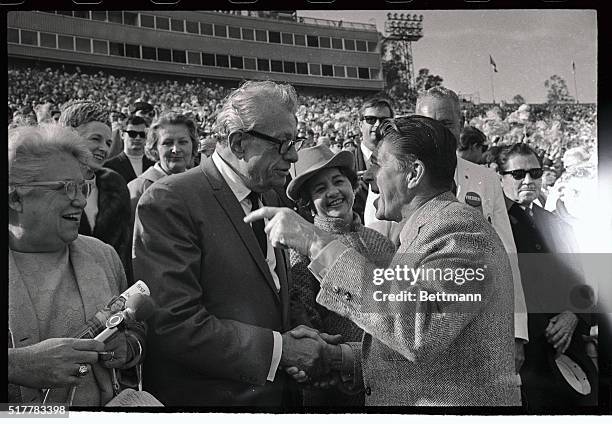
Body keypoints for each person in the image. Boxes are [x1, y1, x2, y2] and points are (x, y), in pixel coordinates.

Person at [246, 116, 520, 406]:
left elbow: (418, 328)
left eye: (378, 165)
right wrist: (337, 357)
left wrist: (316, 243)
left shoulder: (459, 231)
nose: (368, 177)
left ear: (413, 173)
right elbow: (413, 345)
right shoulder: (425, 232)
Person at [133, 80, 337, 407]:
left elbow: (274, 293)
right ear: (239, 143)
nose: (294, 154)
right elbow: (175, 323)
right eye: (283, 143)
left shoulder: (269, 195)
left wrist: (303, 333)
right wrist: (281, 350)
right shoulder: (169, 200)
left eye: (295, 141)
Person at [8, 124, 145, 406]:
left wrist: (129, 347)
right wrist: (16, 365)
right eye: (66, 188)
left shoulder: (103, 255)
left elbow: (135, 328)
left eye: (83, 187)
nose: (81, 200)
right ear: (15, 197)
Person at [414, 87, 529, 375]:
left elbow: (508, 255)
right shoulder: (400, 177)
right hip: (420, 328)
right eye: (428, 124)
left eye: (446, 125)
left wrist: (517, 331)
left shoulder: (485, 179)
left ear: (461, 125)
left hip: (483, 326)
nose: (437, 133)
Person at [286, 144, 396, 406]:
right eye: (320, 189)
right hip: (333, 385)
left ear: (354, 186)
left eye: (338, 181)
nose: (333, 192)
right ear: (307, 204)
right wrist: (330, 360)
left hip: (388, 375)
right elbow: (303, 312)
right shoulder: (301, 248)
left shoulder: (379, 240)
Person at [494, 143, 597, 411]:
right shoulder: (491, 225)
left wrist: (573, 315)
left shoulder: (557, 224)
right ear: (500, 176)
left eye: (535, 173)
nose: (528, 180)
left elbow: (583, 281)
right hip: (524, 355)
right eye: (518, 174)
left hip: (568, 348)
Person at [58, 100, 133, 284]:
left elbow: (122, 250)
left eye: (108, 142)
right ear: (69, 136)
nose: (104, 148)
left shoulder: (115, 184)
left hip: (105, 290)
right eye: (95, 139)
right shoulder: (44, 184)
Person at [127, 112, 198, 224]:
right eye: (167, 143)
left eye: (183, 142)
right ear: (155, 148)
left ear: (193, 145)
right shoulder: (138, 189)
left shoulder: (199, 184)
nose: (176, 149)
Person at [354, 98, 394, 224]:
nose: (377, 124)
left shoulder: (402, 162)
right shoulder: (345, 163)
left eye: (384, 120)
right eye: (371, 119)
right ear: (360, 124)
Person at [104, 115, 155, 184]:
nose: (137, 138)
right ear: (122, 134)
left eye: (142, 134)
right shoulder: (109, 166)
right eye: (132, 134)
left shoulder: (154, 164)